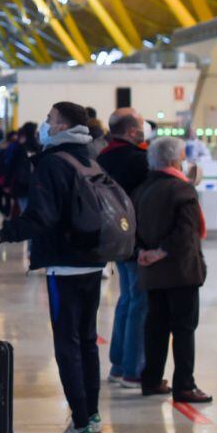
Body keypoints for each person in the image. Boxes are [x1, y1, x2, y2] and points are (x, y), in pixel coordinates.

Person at [0, 102, 106, 433]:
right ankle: (91, 416)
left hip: (64, 263)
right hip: (93, 260)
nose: (44, 126)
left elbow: (41, 217)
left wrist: (2, 234)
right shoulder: (89, 156)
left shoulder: (52, 163)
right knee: (87, 339)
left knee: (67, 343)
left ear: (62, 126)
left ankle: (79, 425)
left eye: (50, 120)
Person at [133, 136, 213, 404]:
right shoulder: (182, 190)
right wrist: (161, 251)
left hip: (152, 271)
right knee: (183, 328)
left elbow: (133, 228)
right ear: (174, 160)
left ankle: (152, 379)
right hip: (180, 271)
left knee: (156, 326)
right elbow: (186, 233)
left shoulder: (142, 189)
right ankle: (185, 386)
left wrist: (143, 252)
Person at [96, 108, 149, 389]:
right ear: (132, 131)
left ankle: (117, 364)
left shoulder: (102, 157)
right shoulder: (139, 161)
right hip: (138, 239)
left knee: (127, 299)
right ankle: (133, 368)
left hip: (113, 237)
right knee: (140, 302)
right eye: (141, 125)